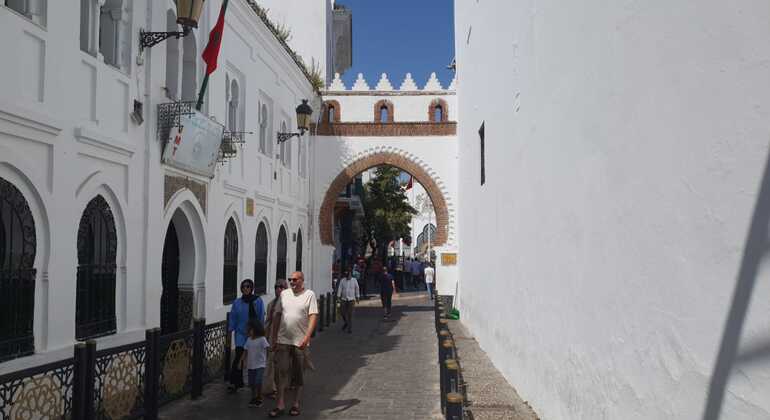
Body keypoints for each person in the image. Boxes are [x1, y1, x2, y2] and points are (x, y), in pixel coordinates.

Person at [269, 271, 319, 418]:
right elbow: (277, 315)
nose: (292, 282)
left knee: (298, 374)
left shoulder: (309, 295)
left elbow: (313, 316)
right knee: (280, 373)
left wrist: (307, 337)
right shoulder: (284, 294)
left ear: (302, 280)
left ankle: (296, 403)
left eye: (295, 279)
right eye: (290, 279)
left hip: (300, 342)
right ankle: (280, 404)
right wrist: (273, 337)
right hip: (283, 340)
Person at [228, 279, 265, 393]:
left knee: (253, 358)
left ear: (252, 288)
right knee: (238, 357)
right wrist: (230, 331)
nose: (246, 288)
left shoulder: (257, 301)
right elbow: (233, 317)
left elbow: (260, 317)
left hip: (253, 334)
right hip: (240, 334)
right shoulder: (237, 302)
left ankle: (255, 383)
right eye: (243, 287)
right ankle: (236, 383)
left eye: (248, 286)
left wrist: (259, 332)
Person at [262, 279, 288, 399]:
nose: (279, 289)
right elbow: (268, 323)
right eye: (277, 287)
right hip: (272, 339)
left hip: (286, 339)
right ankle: (270, 389)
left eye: (282, 287)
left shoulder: (290, 305)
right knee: (271, 364)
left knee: (284, 365)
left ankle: (284, 386)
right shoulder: (270, 305)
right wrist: (265, 338)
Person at [241, 320, 270, 407]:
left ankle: (259, 397)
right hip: (251, 365)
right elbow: (245, 351)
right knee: (252, 383)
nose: (248, 331)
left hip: (260, 364)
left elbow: (267, 348)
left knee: (258, 381)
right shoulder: (249, 340)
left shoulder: (262, 339)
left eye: (250, 329)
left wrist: (267, 359)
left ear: (256, 329)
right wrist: (242, 361)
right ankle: (253, 397)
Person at [336, 268, 360, 333]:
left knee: (350, 314)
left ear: (351, 275)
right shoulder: (342, 281)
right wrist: (338, 297)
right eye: (346, 276)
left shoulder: (354, 280)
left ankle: (349, 328)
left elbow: (357, 288)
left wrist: (357, 297)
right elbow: (340, 288)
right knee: (342, 312)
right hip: (344, 299)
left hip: (351, 299)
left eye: (349, 276)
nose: (348, 277)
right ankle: (346, 322)